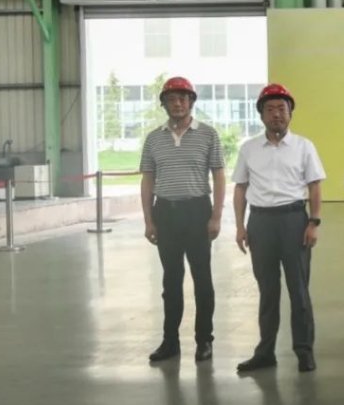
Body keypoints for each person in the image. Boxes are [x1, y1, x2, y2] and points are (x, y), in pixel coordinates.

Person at [233, 84, 324, 373]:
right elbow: (240, 188)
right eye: (270, 109)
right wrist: (240, 226)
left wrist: (313, 222)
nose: (276, 114)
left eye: (282, 109)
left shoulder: (304, 146)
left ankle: (304, 351)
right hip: (260, 223)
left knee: (299, 290)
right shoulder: (249, 148)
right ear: (261, 115)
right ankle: (265, 352)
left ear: (290, 113)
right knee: (267, 290)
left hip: (293, 220)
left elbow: (315, 186)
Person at [139, 76, 225, 363]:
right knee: (171, 280)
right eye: (171, 99)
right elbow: (147, 181)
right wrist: (149, 220)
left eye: (183, 98)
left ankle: (204, 340)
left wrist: (216, 216)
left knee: (202, 279)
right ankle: (170, 342)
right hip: (165, 213)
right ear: (164, 104)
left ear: (191, 102)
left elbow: (219, 176)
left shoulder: (208, 135)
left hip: (197, 212)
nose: (177, 103)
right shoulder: (154, 139)